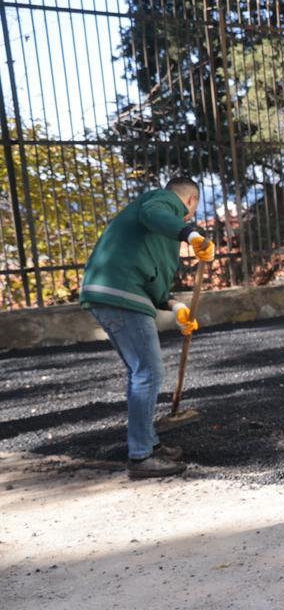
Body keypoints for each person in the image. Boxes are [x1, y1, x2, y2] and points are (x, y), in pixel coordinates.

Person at [79, 176, 215, 479]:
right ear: (190, 201)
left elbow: (156, 284)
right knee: (148, 372)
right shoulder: (162, 202)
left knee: (139, 371)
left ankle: (148, 444)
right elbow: (153, 213)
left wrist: (176, 307)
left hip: (114, 294)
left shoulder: (159, 237)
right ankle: (140, 457)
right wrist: (190, 233)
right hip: (120, 295)